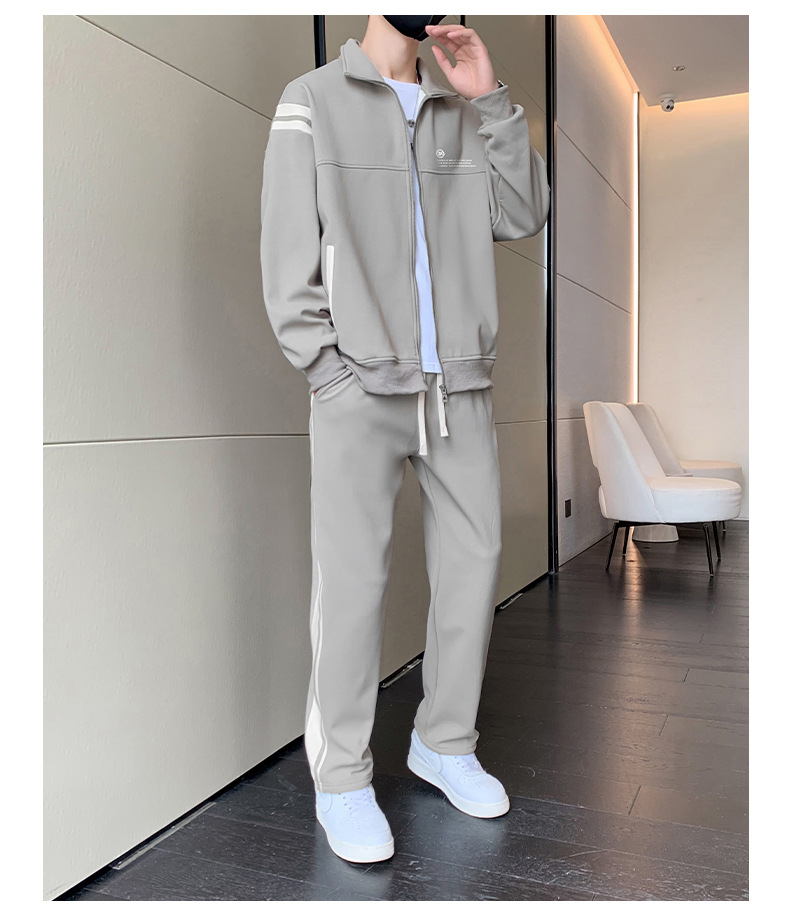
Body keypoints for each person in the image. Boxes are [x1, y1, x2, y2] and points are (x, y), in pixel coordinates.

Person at [260, 14, 550, 864]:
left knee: (474, 565)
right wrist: (327, 373)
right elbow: (286, 252)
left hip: (459, 386)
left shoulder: (462, 109)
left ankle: (444, 743)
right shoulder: (312, 100)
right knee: (353, 584)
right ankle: (343, 777)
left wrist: (490, 99)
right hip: (359, 386)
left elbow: (524, 213)